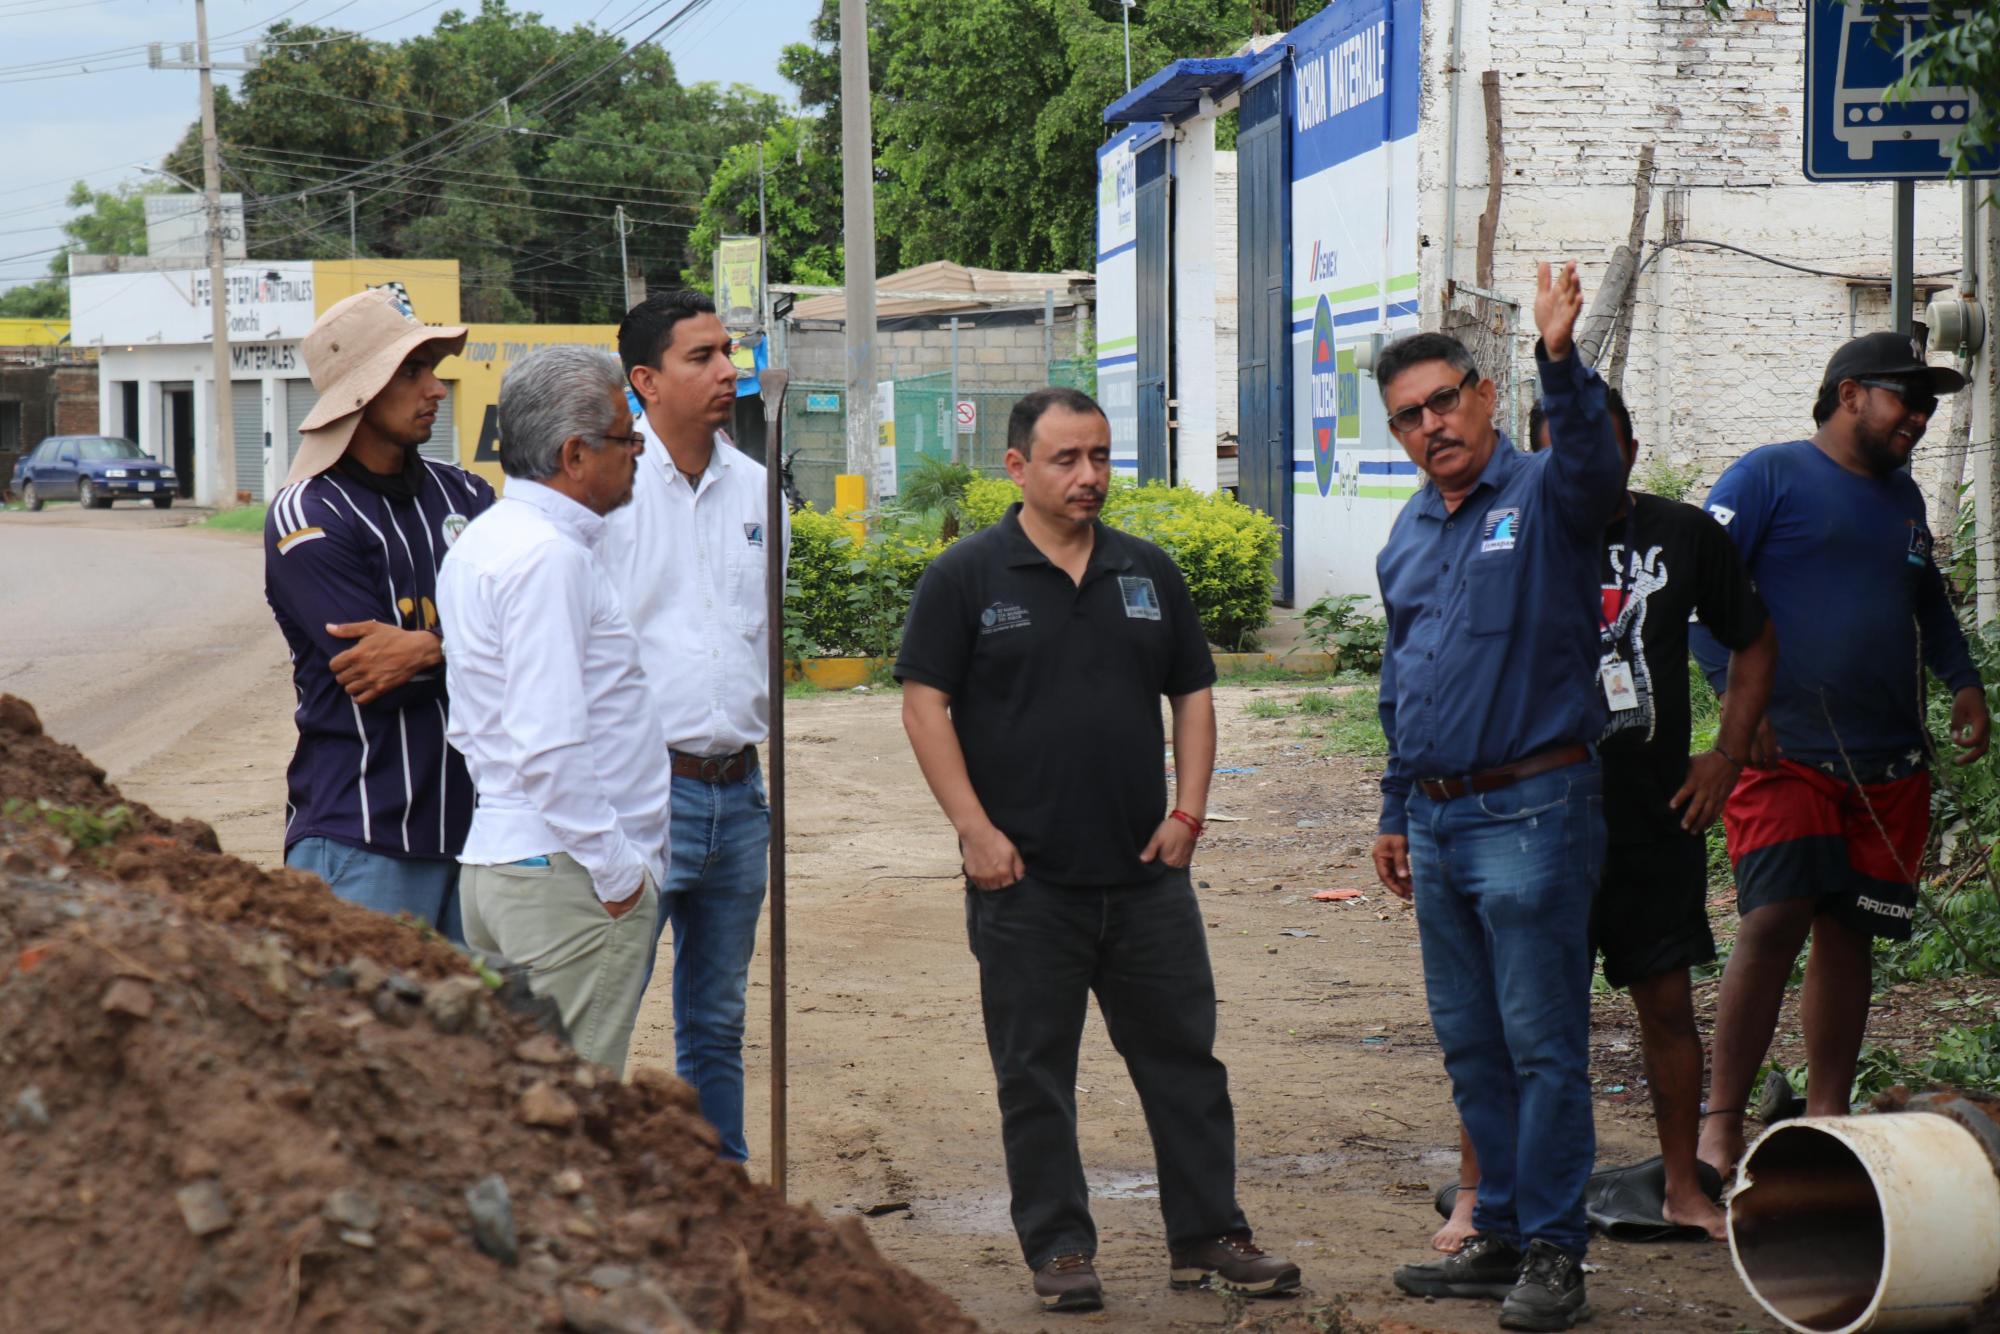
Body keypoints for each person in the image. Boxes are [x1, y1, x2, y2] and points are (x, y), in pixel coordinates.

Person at [895, 388, 1300, 1315]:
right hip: (1025, 883)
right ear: (1016, 467)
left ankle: (1208, 1237)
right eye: (1068, 460)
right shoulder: (966, 577)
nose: (1089, 477)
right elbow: (925, 705)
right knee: (1036, 1075)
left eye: (1102, 458)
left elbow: (1191, 694)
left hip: (1149, 880)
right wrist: (975, 832)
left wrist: (1190, 815)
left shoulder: (1147, 571)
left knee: (1186, 1067)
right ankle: (1063, 1248)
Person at [1433, 392, 1779, 1252]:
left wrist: (1726, 755)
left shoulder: (1688, 534)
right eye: (1565, 450)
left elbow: (1754, 637)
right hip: (1531, 817)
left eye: (1604, 446)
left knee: (1664, 1004)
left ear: (1631, 446)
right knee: (1508, 1019)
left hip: (1648, 812)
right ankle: (1482, 1196)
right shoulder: (1504, 528)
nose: (1587, 465)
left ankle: (1679, 1189)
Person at [1370, 262, 1623, 1333]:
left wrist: (1557, 361)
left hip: (1532, 810)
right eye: (1407, 417)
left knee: (1541, 1043)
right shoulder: (1408, 533)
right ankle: (1503, 1230)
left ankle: (1558, 1252)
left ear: (1481, 395)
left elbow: (1597, 469)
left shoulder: (1546, 498)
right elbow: (1400, 675)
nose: (1430, 425)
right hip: (1436, 818)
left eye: (1442, 400)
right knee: (1470, 1041)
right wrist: (1392, 805)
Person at [1692, 331, 1989, 1178]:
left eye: (1931, 404)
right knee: (1774, 918)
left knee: (1850, 933)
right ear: (1850, 392)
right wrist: (1734, 702)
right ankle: (1720, 1127)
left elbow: (1925, 597)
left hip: (1888, 761)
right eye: (1908, 398)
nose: (1923, 418)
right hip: (1784, 752)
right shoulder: (1768, 475)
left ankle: (1827, 1123)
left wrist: (1963, 679)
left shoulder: (1902, 499)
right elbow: (1701, 598)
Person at [437, 344, 669, 1074]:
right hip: (564, 874)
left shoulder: (490, 540)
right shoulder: (547, 557)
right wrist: (618, 875)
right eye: (626, 438)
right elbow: (549, 742)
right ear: (575, 453)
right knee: (572, 1112)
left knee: (523, 1103)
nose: (636, 453)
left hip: (513, 861)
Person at [602, 289, 786, 1164]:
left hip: (738, 795)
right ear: (645, 381)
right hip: (639, 792)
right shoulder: (605, 491)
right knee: (606, 1005)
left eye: (729, 352)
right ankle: (588, 1200)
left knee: (717, 1019)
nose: (727, 371)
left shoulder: (756, 485)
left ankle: (727, 1198)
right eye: (701, 357)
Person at [264, 287, 492, 936]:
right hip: (360, 836)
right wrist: (478, 646)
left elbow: (537, 639)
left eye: (434, 370)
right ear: (359, 395)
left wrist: (430, 648)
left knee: (476, 1041)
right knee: (362, 1037)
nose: (437, 390)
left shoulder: (467, 494)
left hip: (478, 834)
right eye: (412, 372)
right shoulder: (308, 515)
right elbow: (375, 681)